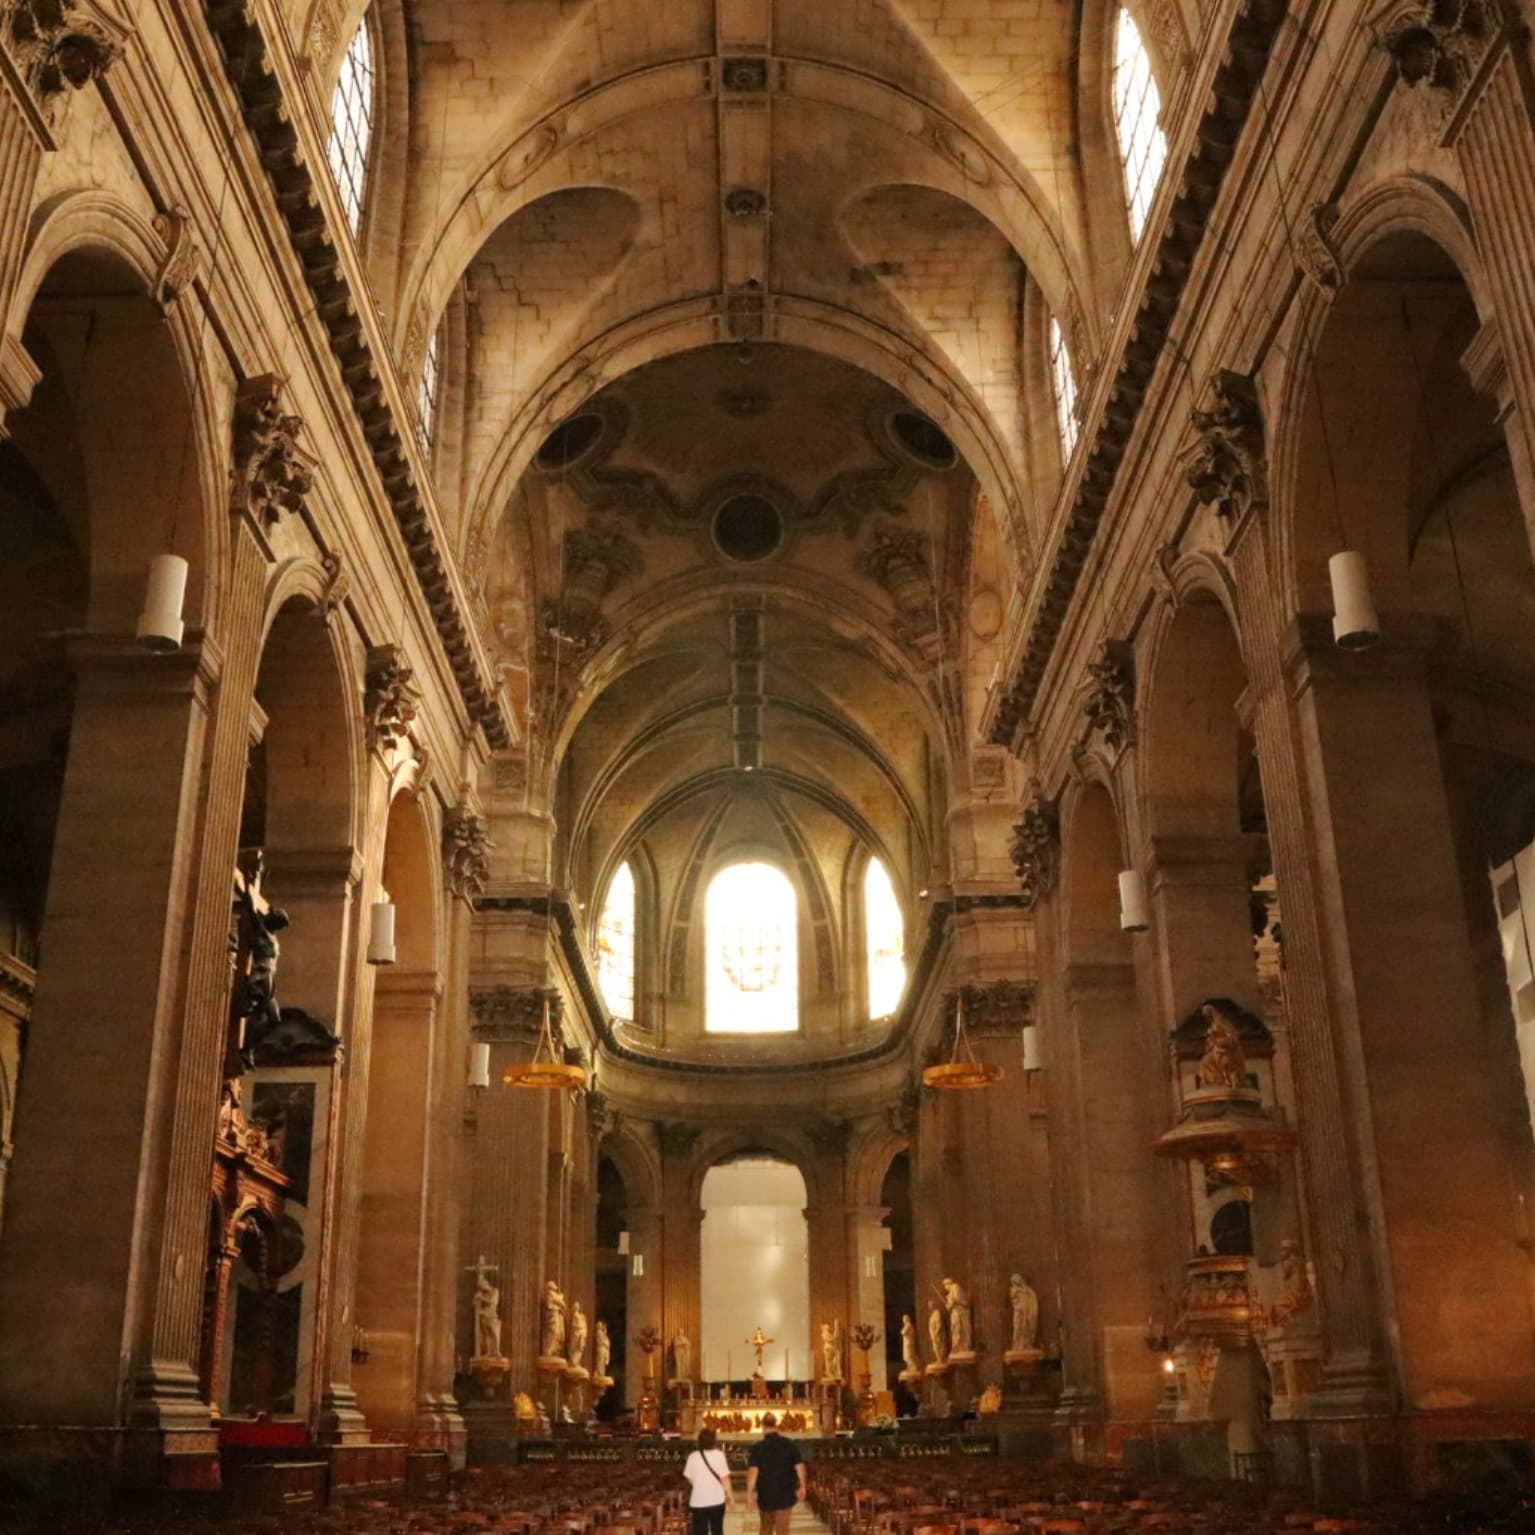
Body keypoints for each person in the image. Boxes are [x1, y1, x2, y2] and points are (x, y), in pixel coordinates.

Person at [746, 1411, 805, 1535]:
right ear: (776, 1425)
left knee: (766, 1529)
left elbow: (753, 1472)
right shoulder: (789, 1444)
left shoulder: (758, 1447)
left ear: (762, 1426)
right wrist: (802, 1486)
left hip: (766, 1494)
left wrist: (749, 1493)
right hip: (785, 1494)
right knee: (783, 1530)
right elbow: (800, 1466)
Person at [683, 1426, 734, 1535]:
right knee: (717, 1530)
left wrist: (698, 1484)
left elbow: (688, 1476)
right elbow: (725, 1479)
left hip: (698, 1500)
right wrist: (731, 1497)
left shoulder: (693, 1456)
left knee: (699, 1531)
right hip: (716, 1499)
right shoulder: (719, 1455)